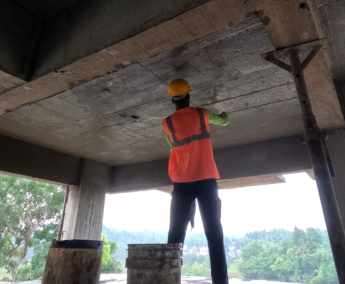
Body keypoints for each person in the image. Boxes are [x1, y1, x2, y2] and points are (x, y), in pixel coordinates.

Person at [162, 78, 230, 284]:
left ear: (172, 100)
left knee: (175, 235)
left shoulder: (167, 123)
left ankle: (169, 279)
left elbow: (171, 147)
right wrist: (225, 113)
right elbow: (224, 121)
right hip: (205, 179)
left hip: (182, 183)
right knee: (214, 234)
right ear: (189, 96)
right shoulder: (201, 114)